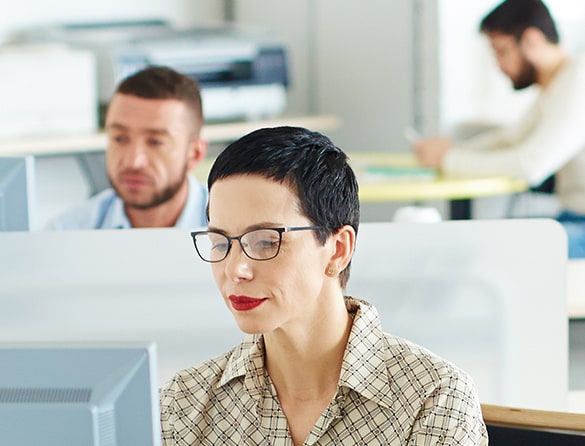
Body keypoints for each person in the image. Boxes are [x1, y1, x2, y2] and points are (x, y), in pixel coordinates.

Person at [160, 126, 488, 445]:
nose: (236, 270)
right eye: (221, 243)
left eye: (264, 242)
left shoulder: (434, 398)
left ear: (338, 249)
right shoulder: (184, 404)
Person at [412, 0, 585, 258]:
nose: (499, 65)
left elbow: (530, 165)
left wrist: (449, 158)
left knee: (491, 252)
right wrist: (451, 150)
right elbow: (512, 137)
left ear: (532, 41)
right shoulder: (560, 83)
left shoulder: (578, 82)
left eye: (502, 51)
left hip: (578, 225)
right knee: (486, 243)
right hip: (571, 218)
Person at [45, 66, 208, 229]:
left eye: (155, 142)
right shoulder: (67, 232)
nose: (133, 162)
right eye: (120, 138)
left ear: (194, 154)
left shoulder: (229, 225)